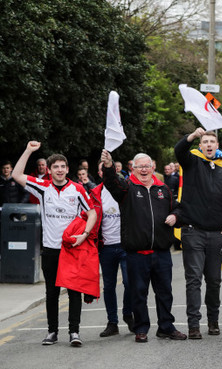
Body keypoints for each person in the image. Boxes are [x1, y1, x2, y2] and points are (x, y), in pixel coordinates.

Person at [12, 141, 97, 347]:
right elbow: (16, 175)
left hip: (72, 249)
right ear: (49, 171)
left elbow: (92, 212)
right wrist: (29, 150)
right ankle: (52, 332)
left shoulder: (77, 190)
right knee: (52, 292)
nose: (59, 170)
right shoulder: (42, 187)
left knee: (74, 292)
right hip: (50, 250)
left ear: (68, 169)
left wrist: (84, 235)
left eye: (62, 166)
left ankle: (74, 332)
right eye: (55, 167)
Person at [101, 150, 187, 343]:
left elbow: (180, 208)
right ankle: (141, 328)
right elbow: (111, 183)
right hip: (136, 254)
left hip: (162, 252)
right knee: (138, 293)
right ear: (133, 168)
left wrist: (176, 217)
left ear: (153, 167)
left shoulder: (163, 189)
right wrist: (108, 166)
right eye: (140, 166)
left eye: (147, 166)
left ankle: (166, 326)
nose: (144, 170)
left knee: (165, 292)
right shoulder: (127, 188)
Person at [174, 128, 222, 339]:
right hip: (193, 232)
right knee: (193, 280)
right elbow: (179, 150)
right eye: (205, 142)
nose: (209, 145)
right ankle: (194, 325)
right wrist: (192, 136)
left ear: (217, 146)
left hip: (217, 234)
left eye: (212, 142)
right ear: (200, 146)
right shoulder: (192, 162)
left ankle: (213, 321)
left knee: (214, 281)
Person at [90, 162, 134, 337]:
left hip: (125, 245)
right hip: (106, 246)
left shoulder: (126, 188)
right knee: (108, 286)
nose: (104, 172)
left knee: (129, 282)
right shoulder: (95, 192)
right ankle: (112, 322)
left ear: (114, 170)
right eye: (101, 170)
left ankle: (128, 314)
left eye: (107, 168)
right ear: (100, 173)